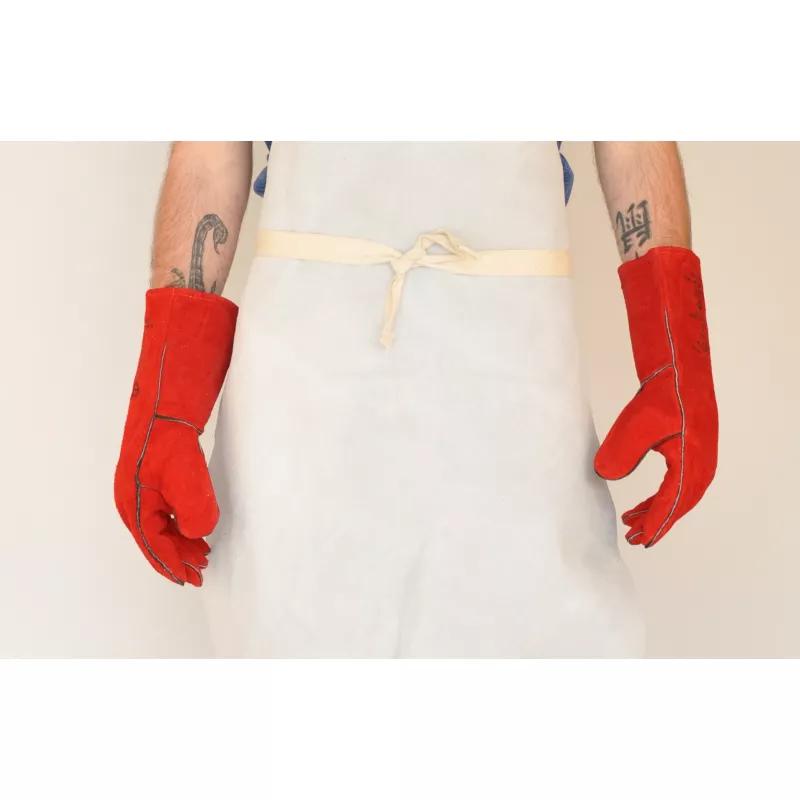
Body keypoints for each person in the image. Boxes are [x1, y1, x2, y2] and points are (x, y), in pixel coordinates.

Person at [114, 142, 718, 657]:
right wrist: (167, 396)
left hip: (514, 387)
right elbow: (209, 153)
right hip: (304, 395)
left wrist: (675, 354)